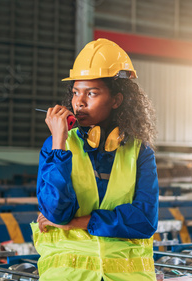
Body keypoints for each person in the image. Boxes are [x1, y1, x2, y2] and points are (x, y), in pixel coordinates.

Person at [31, 38, 159, 281]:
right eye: (76, 92)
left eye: (92, 93)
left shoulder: (139, 152)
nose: (79, 102)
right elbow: (57, 213)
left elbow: (144, 221)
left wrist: (79, 222)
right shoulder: (57, 146)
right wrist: (59, 142)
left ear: (116, 100)